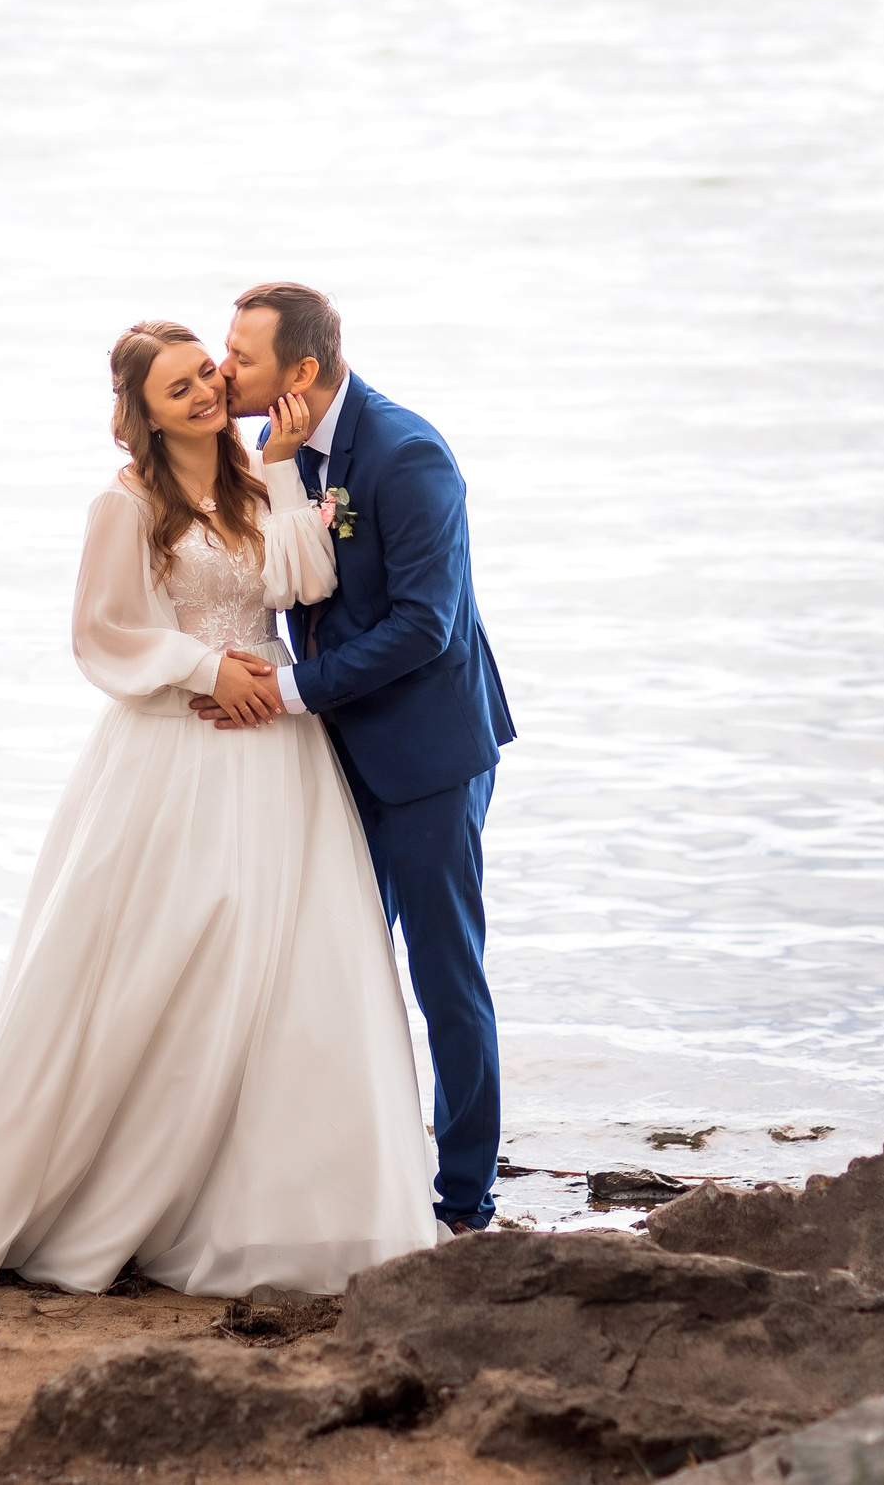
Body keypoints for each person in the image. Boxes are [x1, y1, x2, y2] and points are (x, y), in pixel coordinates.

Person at [0, 320, 438, 1295]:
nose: (203, 393)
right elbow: (102, 634)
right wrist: (202, 669)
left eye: (207, 376)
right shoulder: (125, 503)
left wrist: (275, 472)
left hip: (276, 742)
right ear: (141, 412)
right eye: (178, 387)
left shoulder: (250, 474)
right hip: (177, 743)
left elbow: (298, 580)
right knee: (172, 949)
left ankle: (281, 1207)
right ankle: (108, 1185)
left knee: (292, 964)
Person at [200, 282, 515, 1233]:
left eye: (240, 358)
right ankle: (348, 1180)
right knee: (333, 968)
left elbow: (428, 624)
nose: (223, 372)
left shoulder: (409, 455)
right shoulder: (279, 449)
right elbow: (303, 574)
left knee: (444, 977)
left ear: (301, 371)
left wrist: (289, 692)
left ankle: (464, 1199)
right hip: (334, 757)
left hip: (426, 757)